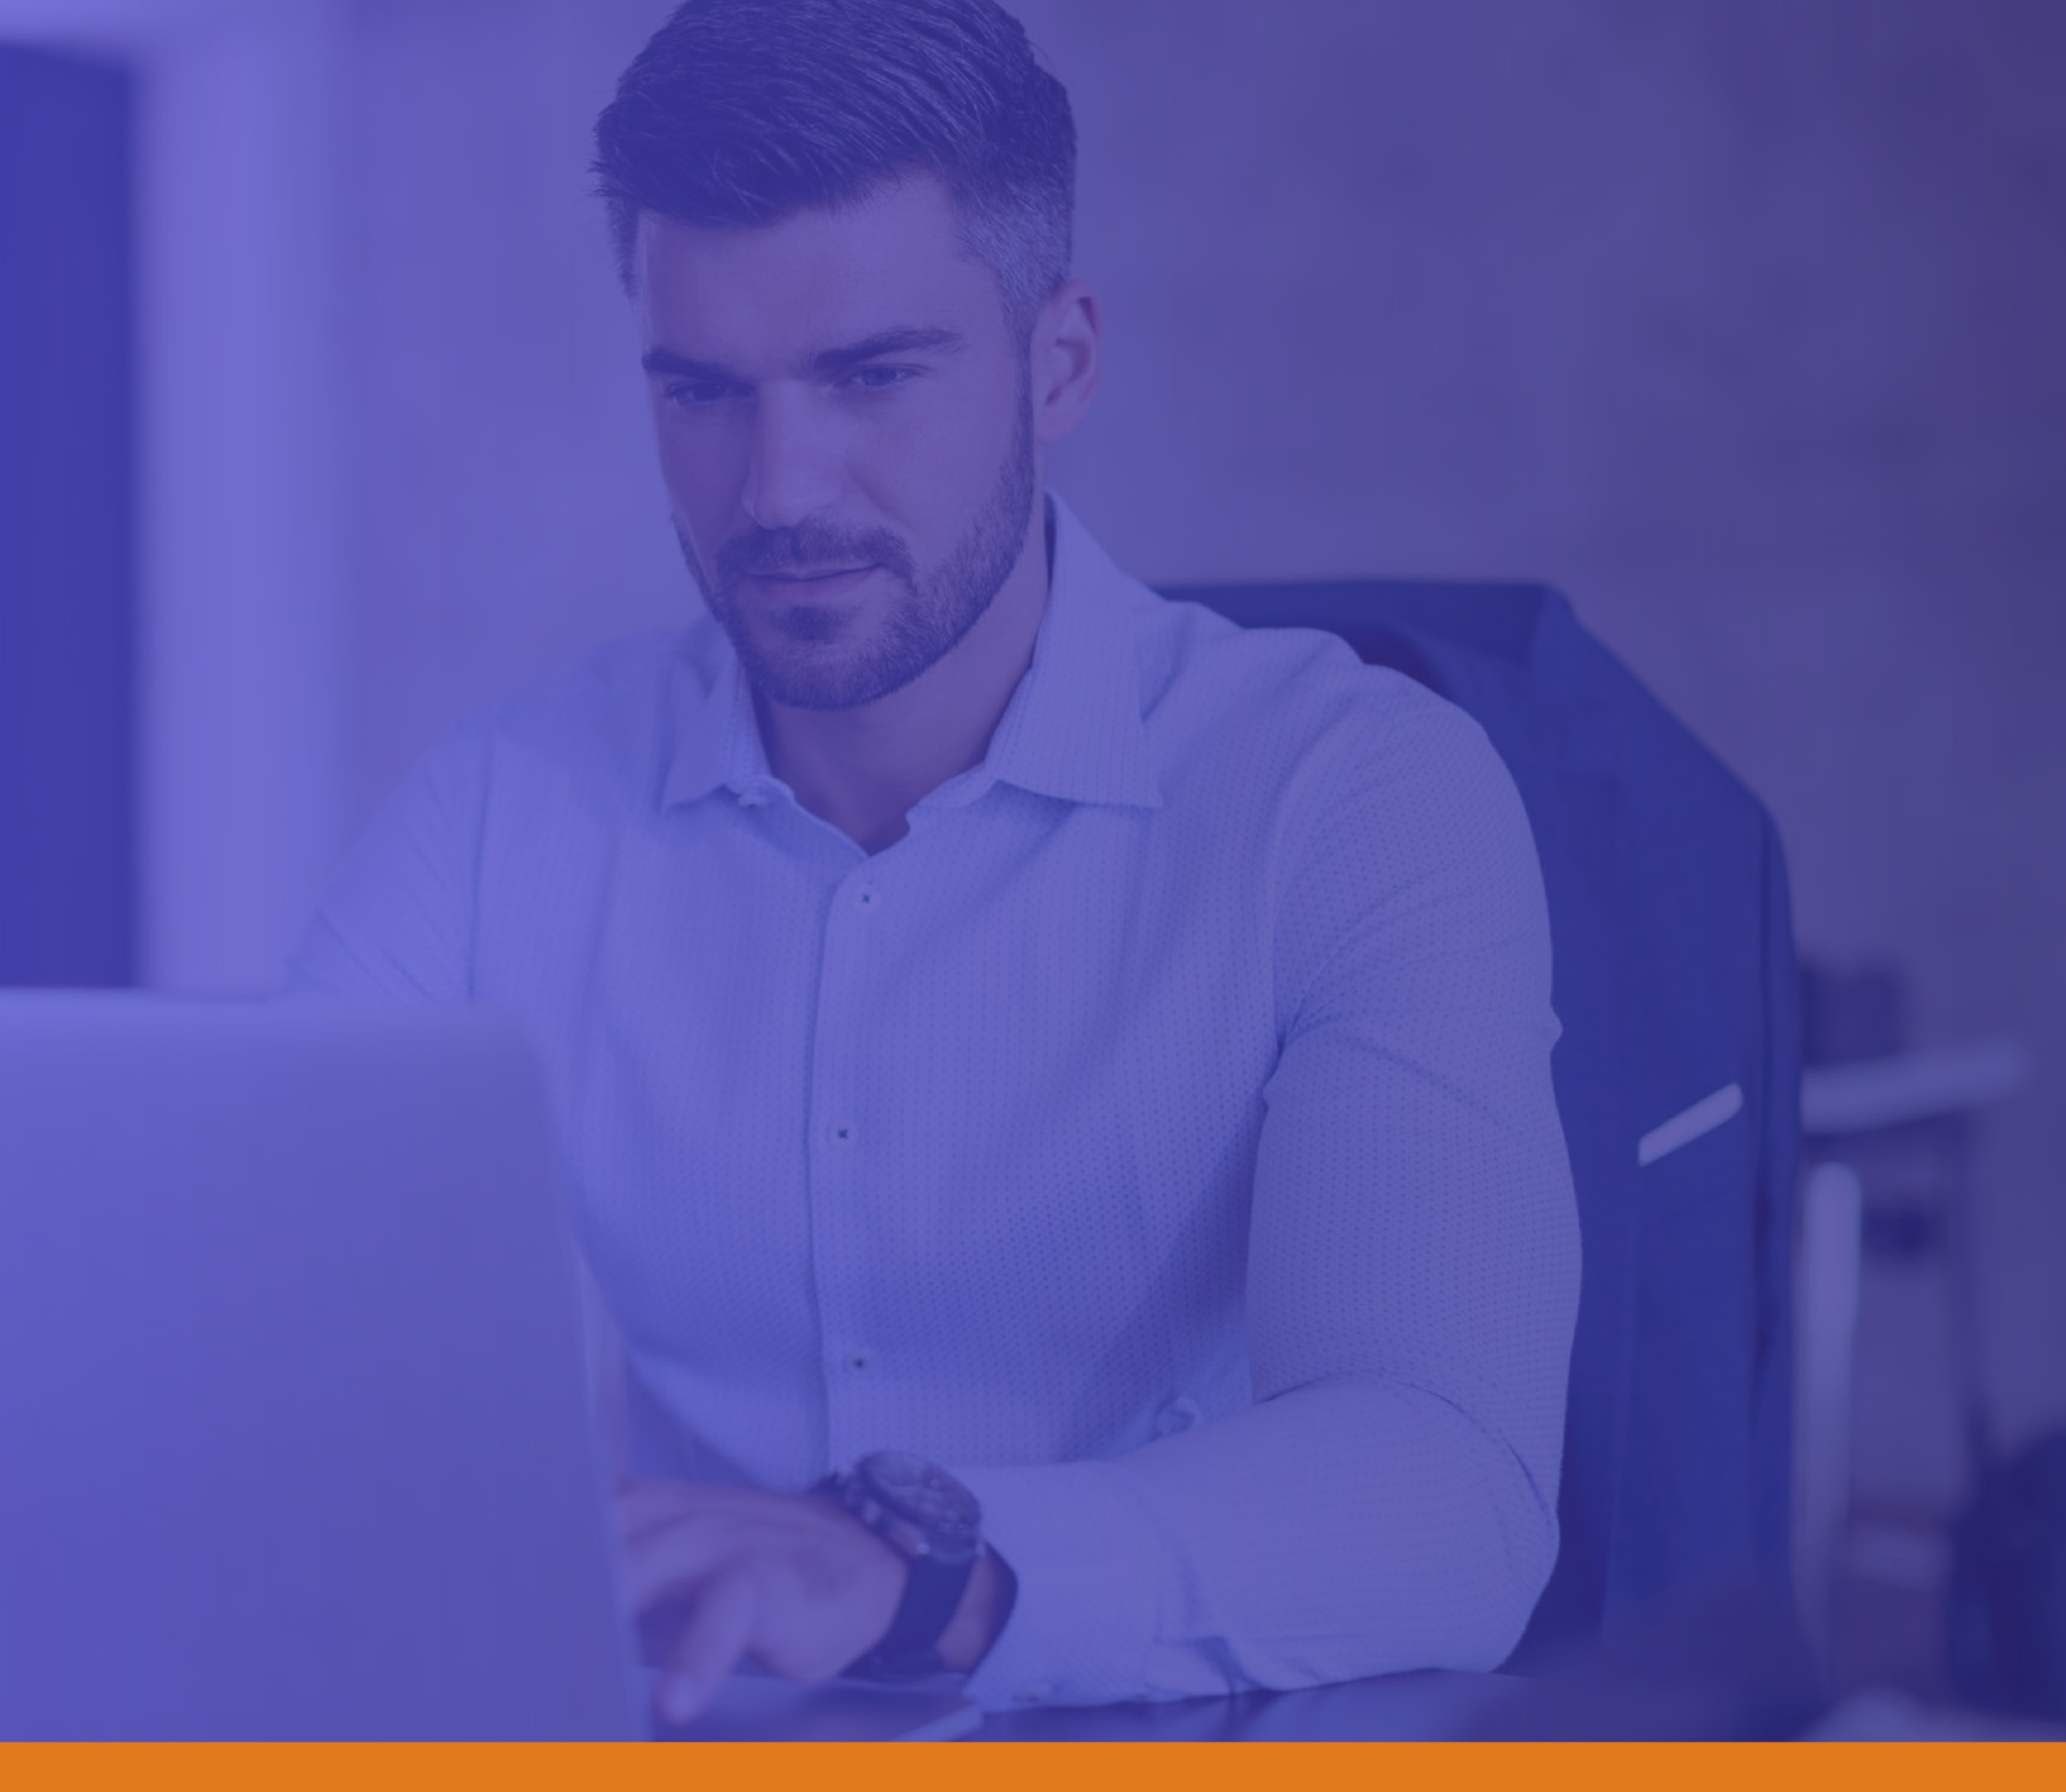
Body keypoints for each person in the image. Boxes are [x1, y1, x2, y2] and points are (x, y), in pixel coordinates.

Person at [291, 0, 1578, 1720]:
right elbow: (261, 1327)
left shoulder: (1348, 794)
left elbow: (1451, 1490)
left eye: (871, 376)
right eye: (702, 391)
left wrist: (921, 1571)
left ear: (1061, 362)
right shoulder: (497, 812)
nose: (777, 490)